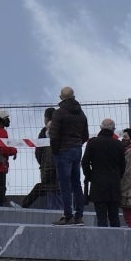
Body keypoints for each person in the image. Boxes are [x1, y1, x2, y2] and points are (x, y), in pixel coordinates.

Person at [50, 86, 90, 226]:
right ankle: (79, 217)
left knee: (64, 185)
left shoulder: (59, 113)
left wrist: (55, 150)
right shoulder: (81, 113)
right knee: (76, 183)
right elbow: (86, 134)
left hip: (63, 151)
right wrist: (78, 143)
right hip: (77, 150)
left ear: (61, 97)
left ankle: (68, 216)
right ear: (73, 96)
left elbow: (54, 135)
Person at [82, 119, 126, 227]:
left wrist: (91, 176)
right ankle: (117, 242)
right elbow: (123, 166)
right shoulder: (119, 145)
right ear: (113, 130)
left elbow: (85, 163)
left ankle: (102, 242)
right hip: (114, 186)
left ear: (100, 128)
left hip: (98, 185)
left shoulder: (92, 143)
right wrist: (117, 177)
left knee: (101, 218)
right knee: (114, 218)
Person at [14, 108, 61, 209]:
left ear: (47, 118)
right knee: (43, 189)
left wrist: (44, 166)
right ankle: (23, 205)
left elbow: (40, 153)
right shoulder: (62, 131)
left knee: (51, 193)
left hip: (51, 171)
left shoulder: (46, 134)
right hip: (58, 169)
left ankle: (23, 206)